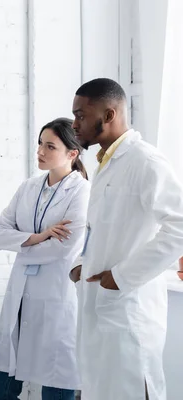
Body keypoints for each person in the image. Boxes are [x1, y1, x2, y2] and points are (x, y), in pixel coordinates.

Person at [70, 78, 183, 400]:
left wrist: (121, 278)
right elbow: (101, 230)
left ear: (108, 115)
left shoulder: (145, 162)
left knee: (133, 389)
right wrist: (82, 262)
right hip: (101, 304)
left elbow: (180, 227)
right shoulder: (107, 162)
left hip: (127, 308)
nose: (75, 124)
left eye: (81, 116)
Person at [0, 118, 90, 400]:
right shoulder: (28, 187)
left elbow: (64, 248)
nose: (40, 152)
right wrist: (37, 237)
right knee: (1, 383)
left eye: (50, 146)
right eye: (39, 143)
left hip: (55, 293)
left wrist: (21, 242)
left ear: (72, 153)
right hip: (20, 292)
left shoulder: (81, 192)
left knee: (57, 375)